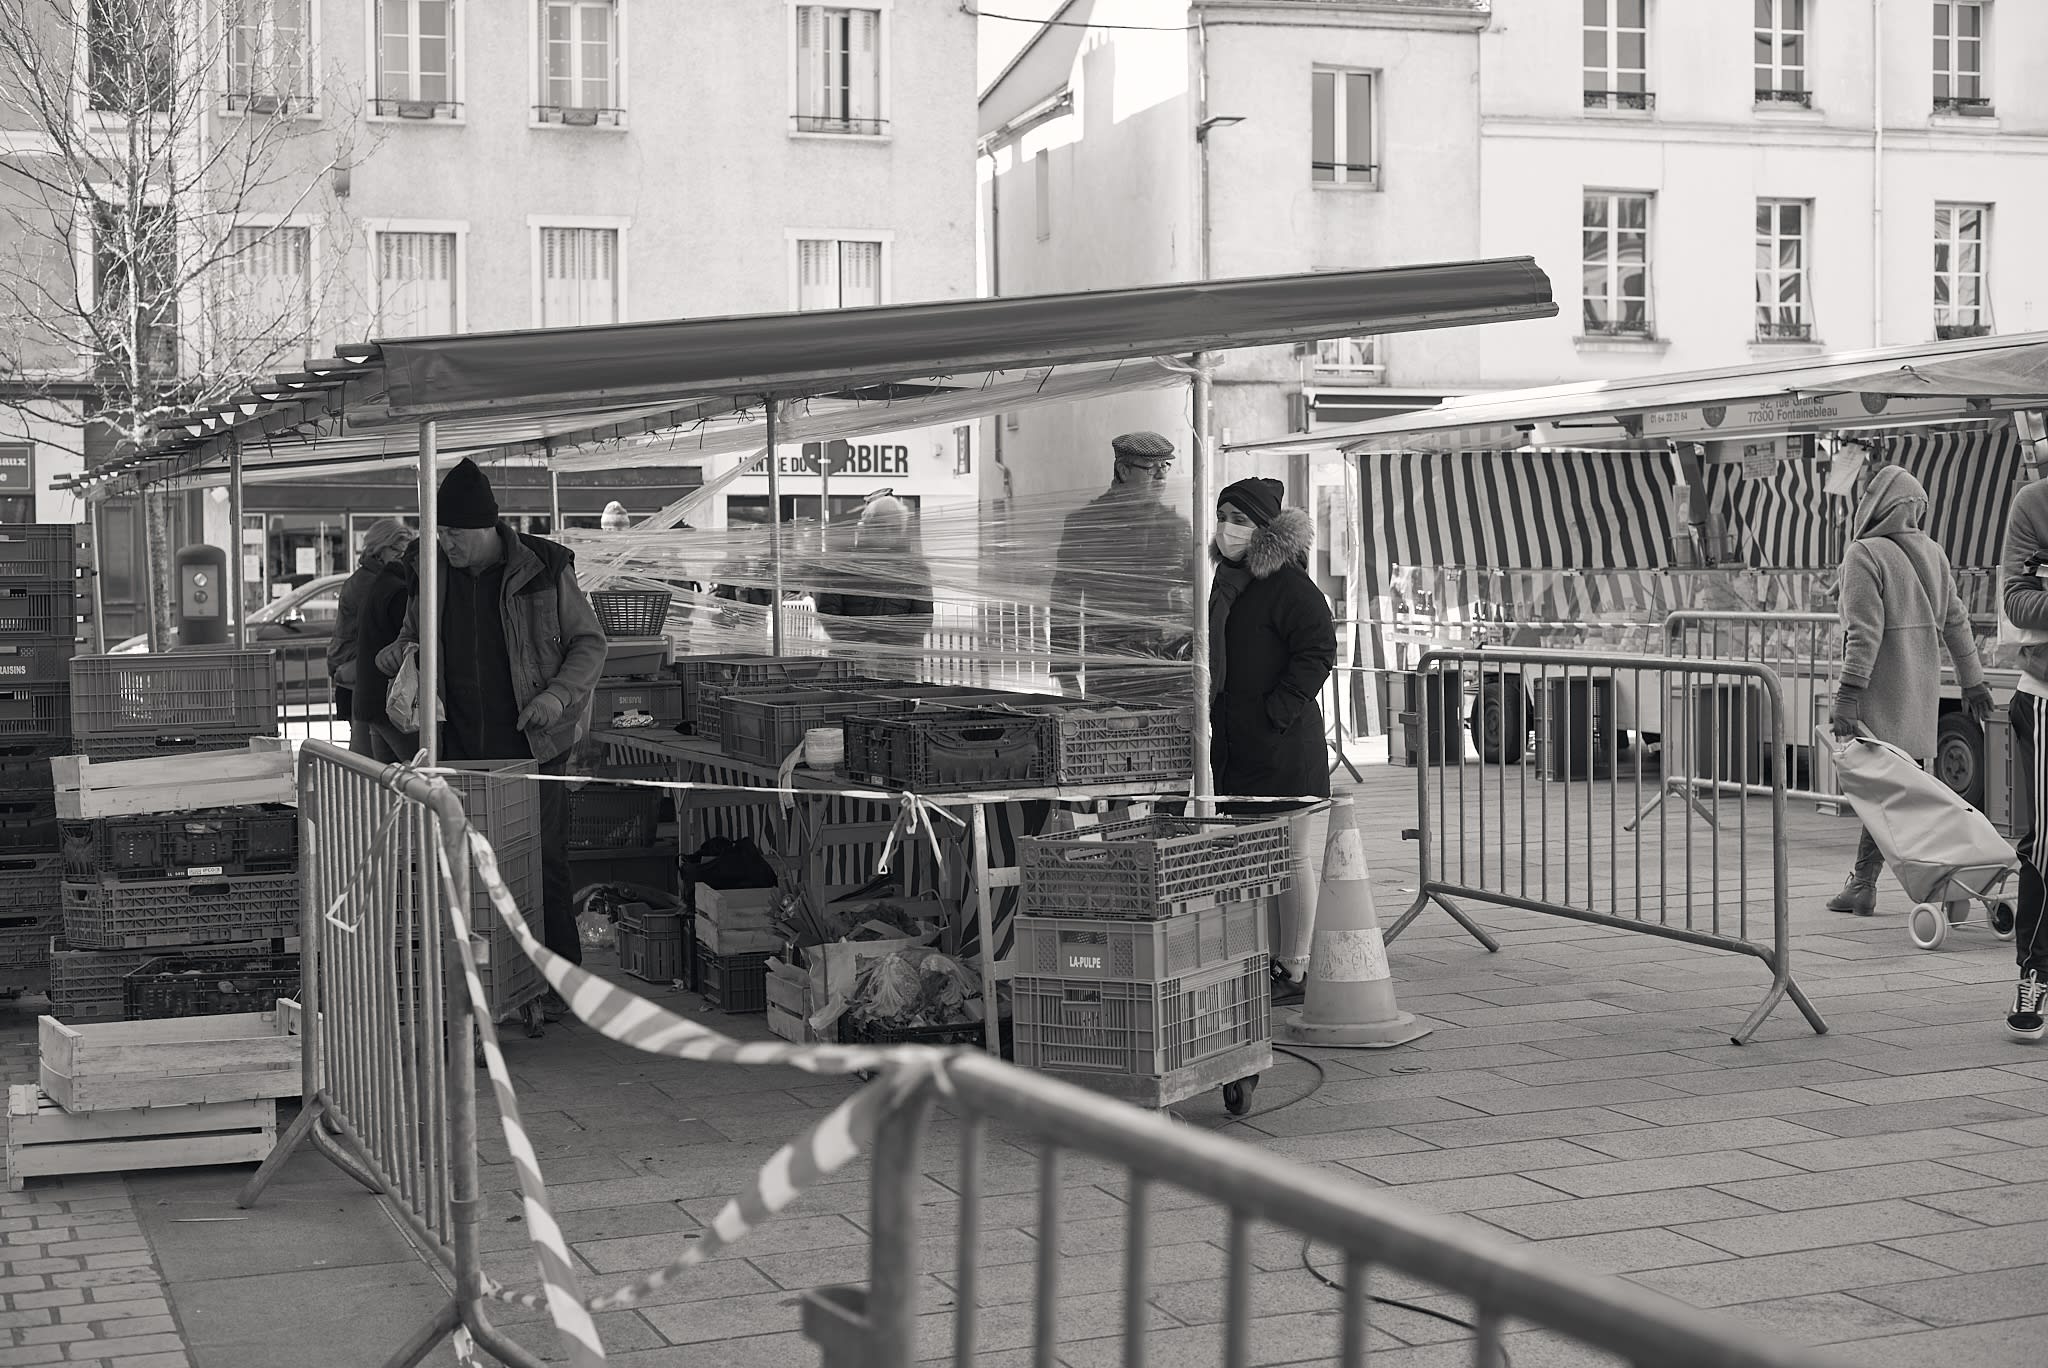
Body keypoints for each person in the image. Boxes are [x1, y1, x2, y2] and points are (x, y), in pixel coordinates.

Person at [377, 458, 608, 1011]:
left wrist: (554, 698)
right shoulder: (431, 573)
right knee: (466, 866)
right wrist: (395, 656)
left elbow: (589, 643)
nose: (446, 545)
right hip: (457, 745)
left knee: (542, 858)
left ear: (485, 529)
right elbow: (412, 635)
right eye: (441, 534)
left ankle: (560, 985)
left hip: (533, 743)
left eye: (454, 534)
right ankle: (488, 982)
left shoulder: (545, 568)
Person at [1829, 464, 1993, 918]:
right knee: (1896, 794)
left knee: (1886, 796)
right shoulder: (1935, 554)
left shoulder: (1863, 554)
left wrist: (1847, 695)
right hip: (1919, 697)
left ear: (1875, 505)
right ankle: (1866, 883)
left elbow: (1862, 634)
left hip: (1878, 697)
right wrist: (1972, 680)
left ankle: (1936, 879)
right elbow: (1958, 624)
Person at [1209, 476, 1337, 993]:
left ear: (1265, 530)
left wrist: (1273, 713)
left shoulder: (1289, 587)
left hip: (1282, 744)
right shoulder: (1227, 584)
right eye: (1222, 516)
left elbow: (1318, 653)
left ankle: (1296, 962)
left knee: (1290, 855)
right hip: (1239, 742)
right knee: (1256, 858)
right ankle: (1264, 957)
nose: (1226, 528)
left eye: (1239, 519)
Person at [1049, 431, 1193, 707]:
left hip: (1173, 663)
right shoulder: (1087, 525)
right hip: (1110, 662)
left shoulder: (1176, 528)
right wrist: (1065, 672)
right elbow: (1064, 601)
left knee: (1172, 742)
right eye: (1151, 468)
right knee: (1111, 739)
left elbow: (1193, 598)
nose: (1161, 476)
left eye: (1165, 466)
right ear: (1123, 470)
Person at [1999, 467, 2048, 1040]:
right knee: (2047, 840)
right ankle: (2035, 974)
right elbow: (2018, 599)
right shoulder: (2034, 504)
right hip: (2045, 698)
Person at [331, 519, 416, 762]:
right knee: (370, 766)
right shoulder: (379, 583)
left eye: (406, 551)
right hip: (367, 679)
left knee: (371, 768)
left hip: (363, 682)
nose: (403, 557)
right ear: (379, 548)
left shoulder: (371, 579)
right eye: (397, 551)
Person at [813, 493, 934, 650]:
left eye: (895, 528)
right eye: (882, 526)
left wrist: (886, 648)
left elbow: (922, 619)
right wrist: (863, 646)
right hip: (851, 659)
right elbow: (829, 613)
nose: (888, 534)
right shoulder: (843, 567)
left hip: (896, 660)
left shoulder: (914, 569)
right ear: (868, 526)